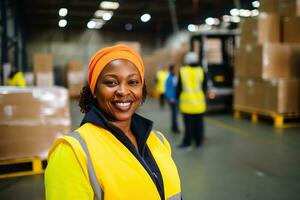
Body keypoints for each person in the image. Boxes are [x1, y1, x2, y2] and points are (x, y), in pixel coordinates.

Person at [45, 45, 182, 200]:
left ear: (141, 89)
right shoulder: (73, 152)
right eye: (111, 83)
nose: (123, 91)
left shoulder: (159, 141)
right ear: (95, 90)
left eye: (133, 82)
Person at [177, 51, 207, 149]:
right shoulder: (201, 71)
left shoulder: (183, 71)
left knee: (188, 126)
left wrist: (178, 97)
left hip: (187, 105)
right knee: (199, 125)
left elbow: (179, 88)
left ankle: (187, 142)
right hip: (199, 105)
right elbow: (205, 87)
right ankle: (199, 142)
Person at [165, 64, 180, 134]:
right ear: (171, 70)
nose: (175, 70)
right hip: (172, 99)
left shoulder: (172, 77)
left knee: (175, 114)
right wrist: (170, 98)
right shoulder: (170, 78)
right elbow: (169, 89)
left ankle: (174, 127)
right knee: (174, 114)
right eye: (174, 69)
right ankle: (175, 128)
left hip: (174, 99)